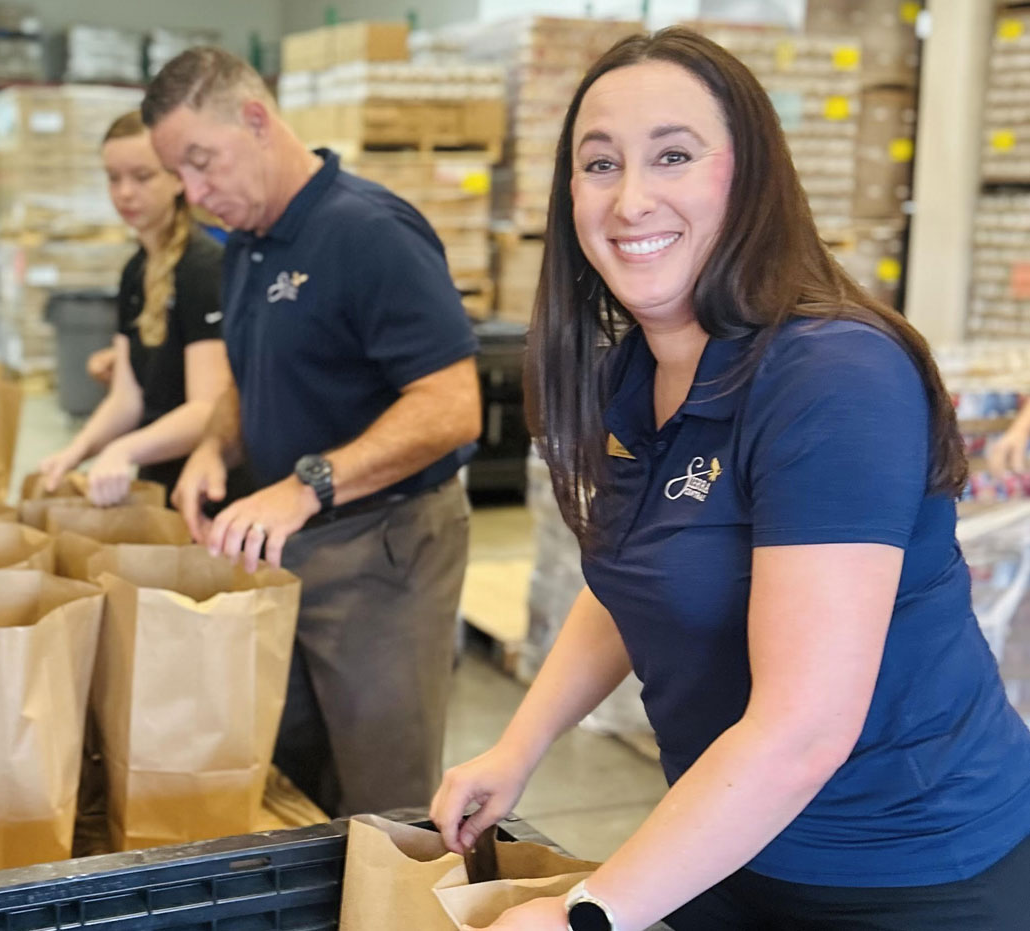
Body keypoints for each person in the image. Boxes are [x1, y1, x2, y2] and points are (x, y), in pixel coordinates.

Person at [432, 29, 1030, 931]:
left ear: (747, 174)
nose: (632, 199)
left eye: (672, 155)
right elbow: (643, 573)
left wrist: (585, 915)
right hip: (731, 839)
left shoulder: (832, 377)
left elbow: (803, 729)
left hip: (906, 874)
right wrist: (519, 744)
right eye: (600, 164)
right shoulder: (634, 373)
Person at [142, 48, 484, 817]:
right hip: (286, 545)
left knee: (383, 795)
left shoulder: (368, 234)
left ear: (256, 120)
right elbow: (248, 368)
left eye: (202, 163)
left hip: (381, 551)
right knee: (293, 775)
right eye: (180, 177)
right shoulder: (249, 246)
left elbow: (452, 404)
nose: (194, 195)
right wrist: (212, 447)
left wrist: (307, 485)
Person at [37, 110, 236, 505]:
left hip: (206, 487)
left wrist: (125, 450)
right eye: (114, 178)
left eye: (142, 177)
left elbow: (207, 409)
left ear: (179, 178)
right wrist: (76, 452)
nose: (125, 193)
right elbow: (128, 398)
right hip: (156, 476)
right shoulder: (136, 271)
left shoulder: (203, 269)